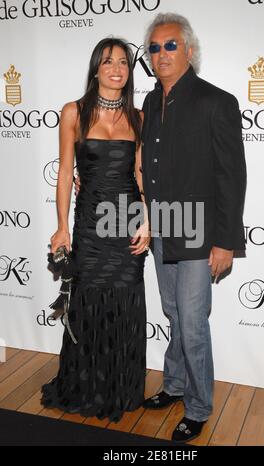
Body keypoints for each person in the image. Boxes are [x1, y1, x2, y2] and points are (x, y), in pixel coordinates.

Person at [141, 13, 247, 443]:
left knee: (192, 322)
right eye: (154, 47)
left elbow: (230, 175)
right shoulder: (149, 102)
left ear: (188, 50)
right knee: (172, 313)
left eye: (170, 45)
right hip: (162, 227)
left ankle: (198, 406)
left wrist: (225, 241)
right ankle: (175, 384)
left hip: (201, 233)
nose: (161, 53)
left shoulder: (215, 101)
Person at [41, 38, 150, 422]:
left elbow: (141, 174)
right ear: (96, 68)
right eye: (108, 62)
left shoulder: (138, 117)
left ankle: (119, 387)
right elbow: (65, 175)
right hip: (88, 224)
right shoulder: (74, 112)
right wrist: (60, 228)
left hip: (126, 223)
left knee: (123, 303)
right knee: (88, 303)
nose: (116, 68)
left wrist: (149, 221)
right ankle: (85, 385)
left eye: (123, 62)